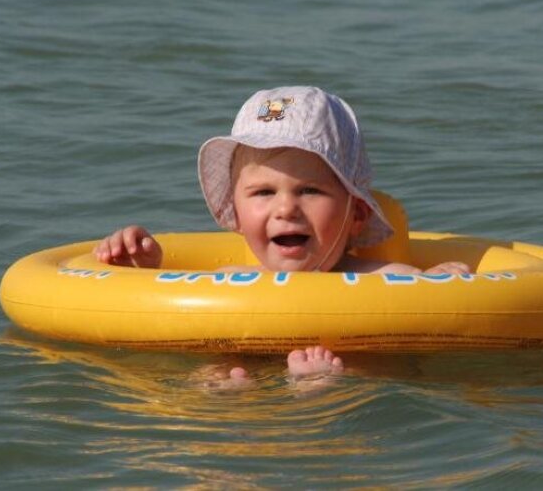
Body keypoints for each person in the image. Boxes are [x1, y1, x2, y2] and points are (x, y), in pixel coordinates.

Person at [93, 86, 469, 385]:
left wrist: (442, 279)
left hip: (349, 393)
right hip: (252, 397)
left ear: (356, 214)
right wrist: (140, 267)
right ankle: (228, 396)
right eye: (263, 192)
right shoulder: (227, 283)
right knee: (218, 372)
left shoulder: (386, 279)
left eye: (309, 191)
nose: (286, 208)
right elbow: (159, 313)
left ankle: (322, 390)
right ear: (236, 214)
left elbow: (435, 309)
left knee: (356, 370)